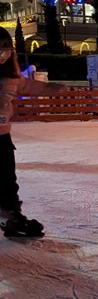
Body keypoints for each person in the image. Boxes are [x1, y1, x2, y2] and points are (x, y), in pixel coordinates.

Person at [0, 29, 64, 238]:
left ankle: (12, 216)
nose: (2, 53)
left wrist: (52, 88)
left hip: (2, 138)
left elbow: (30, 86)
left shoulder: (12, 78)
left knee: (8, 179)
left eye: (5, 48)